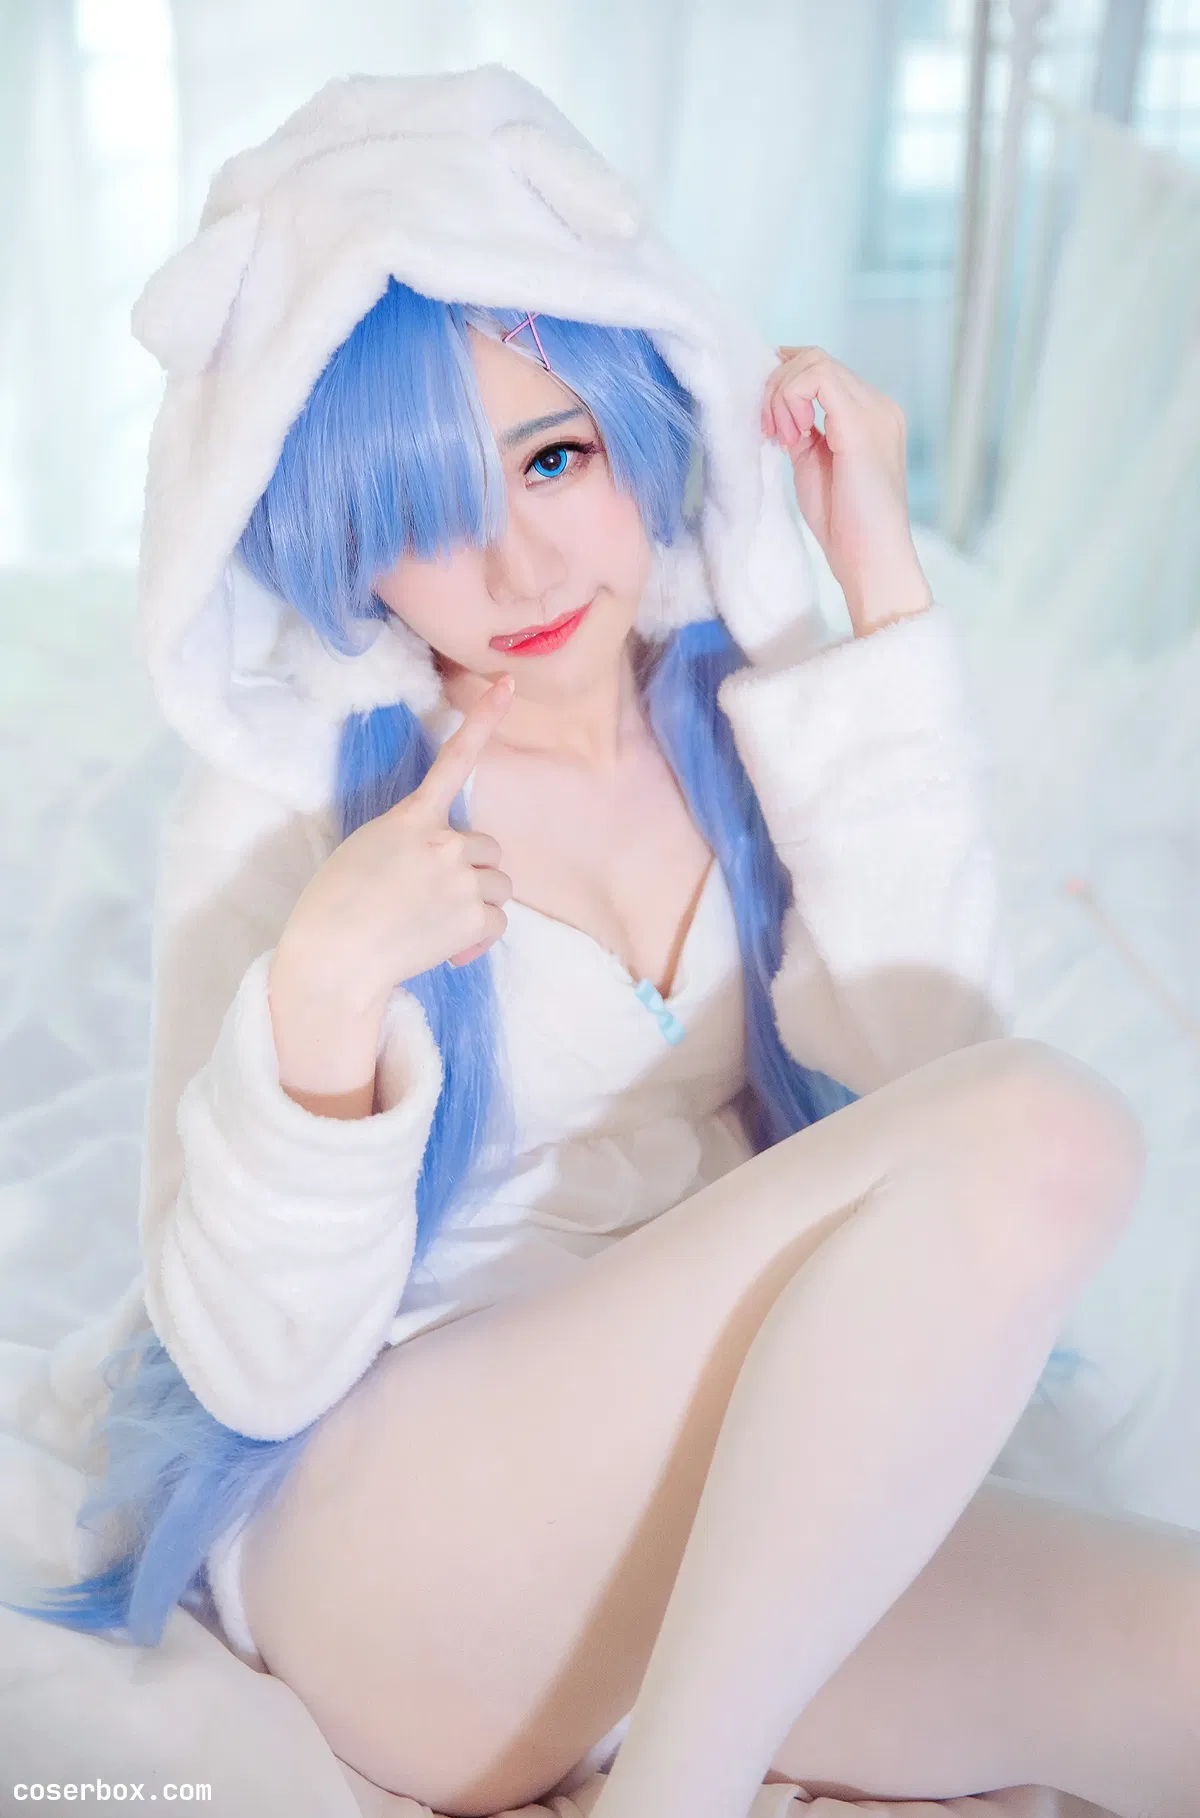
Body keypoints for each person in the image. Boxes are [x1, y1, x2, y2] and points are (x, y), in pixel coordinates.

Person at [6, 62, 1193, 1818]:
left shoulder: (745, 716)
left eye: (554, 456)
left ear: (644, 416)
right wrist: (323, 998)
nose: (518, 566)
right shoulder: (289, 804)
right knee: (1056, 1121)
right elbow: (249, 1365)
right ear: (348, 554)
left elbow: (929, 1106)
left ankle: (679, 1762)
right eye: (424, 517)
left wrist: (877, 584)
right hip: (404, 1545)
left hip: (729, 1521)